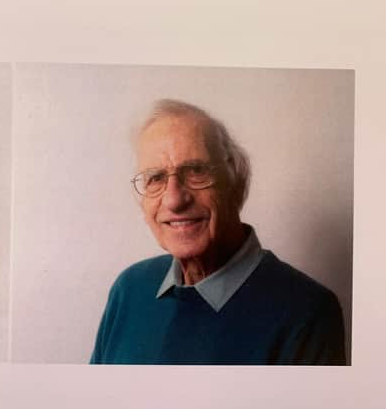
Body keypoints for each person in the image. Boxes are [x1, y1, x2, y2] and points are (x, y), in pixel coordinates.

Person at [90, 99, 346, 365]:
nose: (174, 200)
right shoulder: (129, 289)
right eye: (156, 178)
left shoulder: (307, 313)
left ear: (235, 182)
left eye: (196, 171)